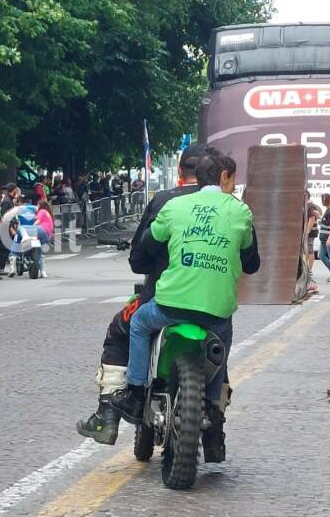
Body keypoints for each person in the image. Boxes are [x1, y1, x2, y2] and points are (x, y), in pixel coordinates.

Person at [108, 153, 257, 469]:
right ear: (224, 178)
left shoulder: (171, 206)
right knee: (221, 347)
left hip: (170, 305)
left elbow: (146, 247)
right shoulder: (240, 211)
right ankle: (214, 410)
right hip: (216, 311)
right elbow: (252, 262)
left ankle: (135, 392)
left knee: (137, 325)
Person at [76, 144, 229, 446]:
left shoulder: (164, 201)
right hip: (213, 302)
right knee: (219, 345)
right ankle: (216, 428)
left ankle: (108, 415)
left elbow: (138, 259)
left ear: (182, 170)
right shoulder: (229, 206)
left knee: (120, 328)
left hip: (163, 297)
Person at [303, 191, 321, 283]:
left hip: (310, 233)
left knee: (309, 251)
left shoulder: (310, 206)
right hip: (309, 232)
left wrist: (307, 232)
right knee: (307, 251)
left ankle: (309, 271)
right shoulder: (308, 205)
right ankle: (306, 270)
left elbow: (312, 219)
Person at [35, 200, 55, 278]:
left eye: (38, 205)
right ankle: (43, 271)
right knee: (41, 253)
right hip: (48, 235)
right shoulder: (48, 213)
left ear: (40, 206)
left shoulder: (42, 211)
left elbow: (37, 221)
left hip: (41, 231)